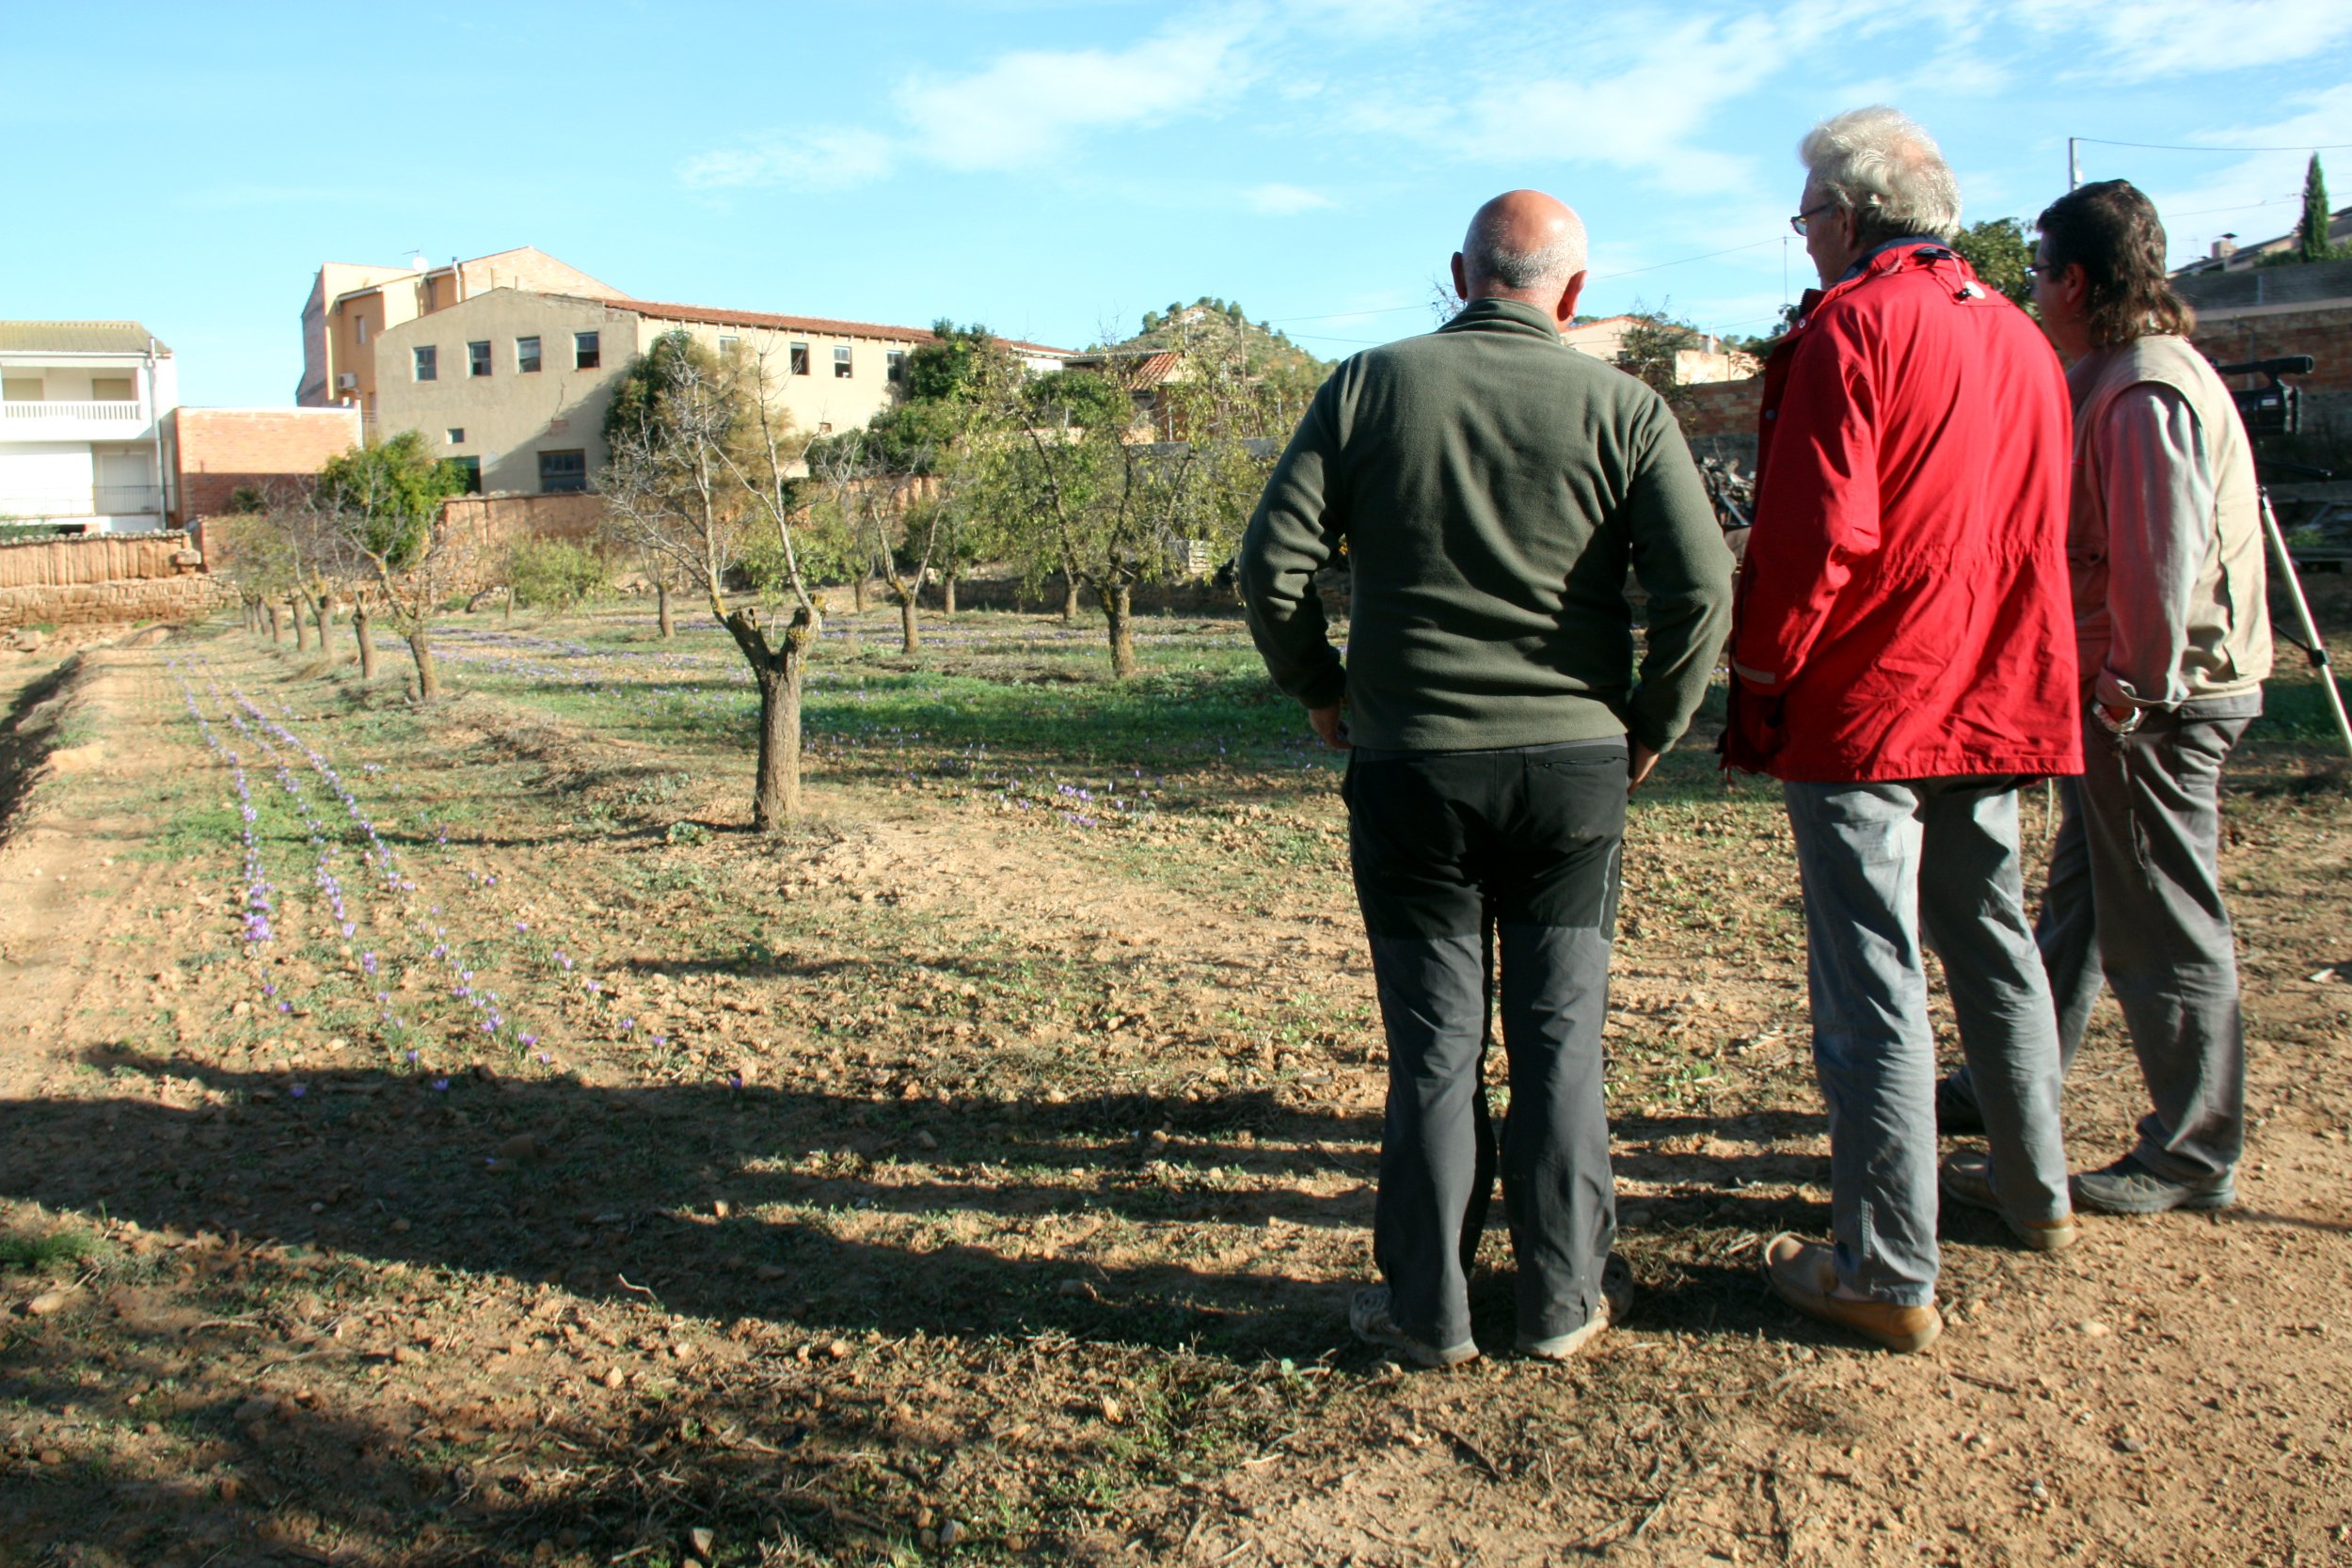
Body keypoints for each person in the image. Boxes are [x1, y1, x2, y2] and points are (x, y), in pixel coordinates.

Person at [1238, 191, 1734, 1368]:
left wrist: (1321, 685)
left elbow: (1269, 565)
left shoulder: (1366, 386)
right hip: (1572, 775)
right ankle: (1562, 1301)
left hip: (1412, 770)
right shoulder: (1626, 408)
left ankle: (1427, 1311)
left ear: (1461, 271)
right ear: (1571, 292)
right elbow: (1701, 589)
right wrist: (1651, 723)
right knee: (1561, 1038)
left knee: (1434, 1043)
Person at [1724, 108, 2081, 1354]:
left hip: (1872, 699)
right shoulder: (2026, 340)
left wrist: (1760, 671)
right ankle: (2037, 1192)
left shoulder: (1854, 325)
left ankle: (1884, 1263)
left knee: (1869, 976)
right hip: (1994, 687)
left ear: (1857, 214)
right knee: (1993, 940)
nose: (1805, 234)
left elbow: (1819, 532)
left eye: (1809, 212)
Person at [1935, 180, 2271, 1215]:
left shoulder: (2141, 391)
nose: (2032, 289)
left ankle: (2190, 1150)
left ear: (2074, 280)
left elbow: (2159, 556)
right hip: (2132, 694)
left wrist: (2132, 688)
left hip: (2155, 704)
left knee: (2161, 919)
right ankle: (2016, 1079)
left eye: (2038, 270)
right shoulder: (2125, 373)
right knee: (2080, 905)